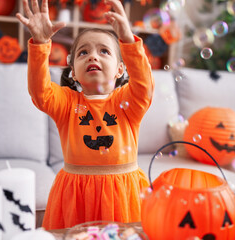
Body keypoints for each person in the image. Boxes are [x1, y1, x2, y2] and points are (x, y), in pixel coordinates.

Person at [16, 0, 154, 229]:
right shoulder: (66, 103)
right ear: (73, 72)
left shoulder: (127, 102)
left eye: (104, 51)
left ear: (120, 69)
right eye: (83, 52)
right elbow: (40, 92)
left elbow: (144, 86)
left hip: (123, 193)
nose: (93, 56)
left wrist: (128, 41)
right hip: (75, 194)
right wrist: (40, 44)